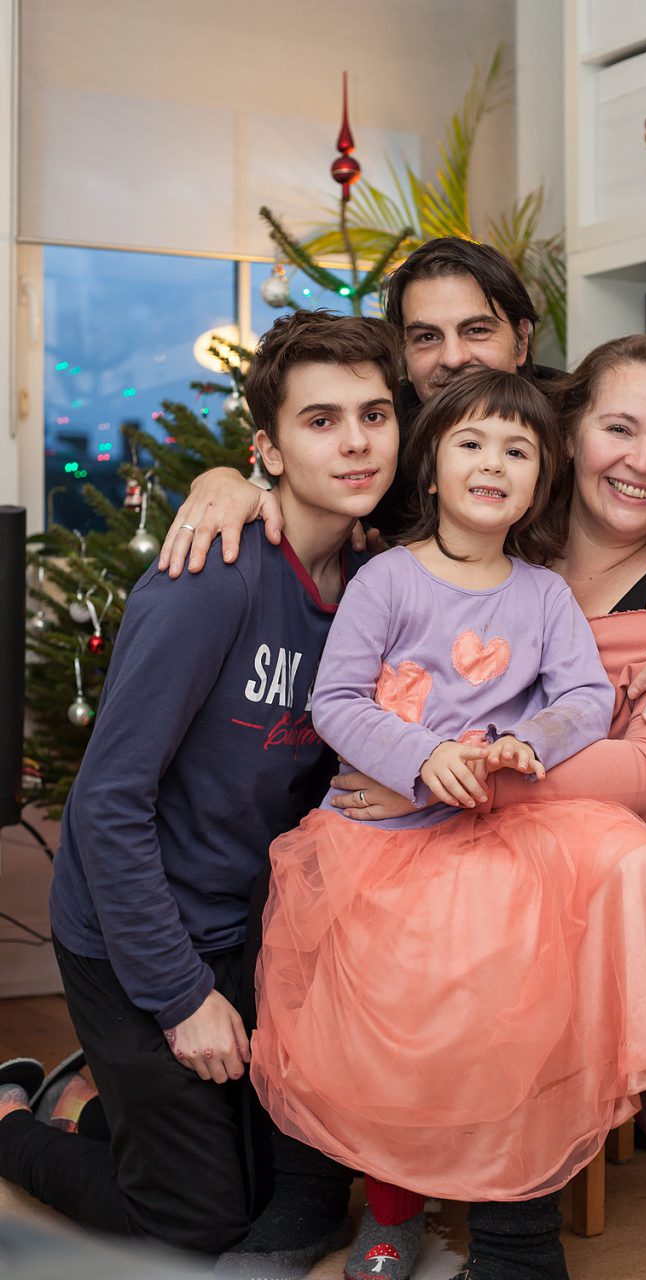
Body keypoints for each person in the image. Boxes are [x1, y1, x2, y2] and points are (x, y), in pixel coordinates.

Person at [250, 365, 646, 1280]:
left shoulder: (542, 593)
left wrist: (520, 743)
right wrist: (417, 758)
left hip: (496, 828)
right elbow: (336, 701)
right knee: (399, 989)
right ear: (430, 468)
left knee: (623, 854)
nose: (492, 464)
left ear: (540, 481)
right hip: (386, 841)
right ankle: (392, 1209)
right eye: (471, 444)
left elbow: (583, 700)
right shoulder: (386, 578)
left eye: (517, 451)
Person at [0, 310, 400, 1260]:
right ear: (268, 449)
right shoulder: (211, 580)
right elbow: (107, 803)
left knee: (276, 1187)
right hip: (133, 930)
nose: (354, 442)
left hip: (249, 928)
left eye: (375, 415)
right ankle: (12, 1117)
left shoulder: (379, 584)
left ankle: (102, 1105)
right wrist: (180, 998)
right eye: (320, 420)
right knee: (196, 1224)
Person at [159, 236, 646, 740]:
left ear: (521, 340)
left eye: (476, 330)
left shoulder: (572, 422)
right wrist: (229, 479)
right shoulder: (391, 433)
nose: (452, 357)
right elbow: (301, 464)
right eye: (426, 338)